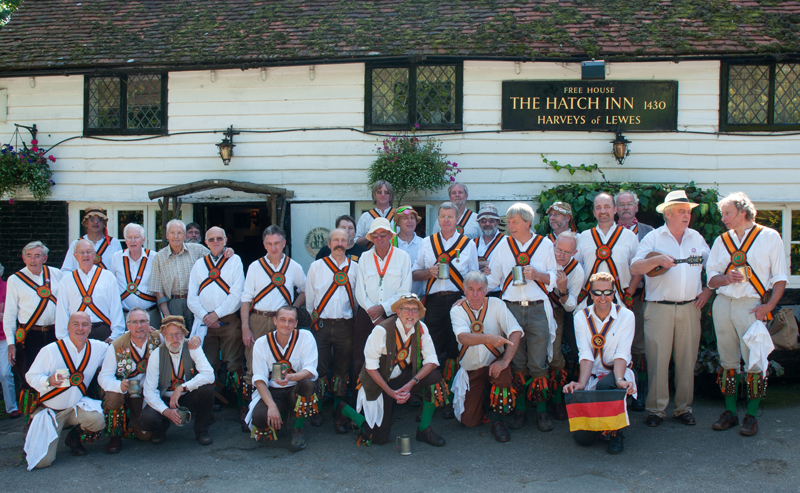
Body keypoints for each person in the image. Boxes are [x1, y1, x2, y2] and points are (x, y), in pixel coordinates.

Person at [707, 192, 787, 436]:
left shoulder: (769, 237)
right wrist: (726, 278)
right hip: (723, 304)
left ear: (743, 212)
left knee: (755, 363)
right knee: (728, 362)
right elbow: (711, 279)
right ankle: (730, 412)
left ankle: (751, 416)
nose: (724, 219)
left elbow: (780, 277)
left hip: (752, 306)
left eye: (728, 213)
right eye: (722, 214)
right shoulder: (722, 240)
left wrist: (769, 306)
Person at [630, 190, 712, 427]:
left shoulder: (696, 238)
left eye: (688, 212)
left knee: (687, 360)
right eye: (681, 211)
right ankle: (656, 410)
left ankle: (683, 408)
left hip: (689, 308)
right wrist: (656, 261)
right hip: (659, 308)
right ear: (667, 214)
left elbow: (714, 267)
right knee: (657, 360)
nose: (686, 216)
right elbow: (635, 268)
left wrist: (707, 291)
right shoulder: (654, 238)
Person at [335, 294, 447, 447]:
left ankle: (424, 429)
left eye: (415, 310)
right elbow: (371, 368)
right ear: (398, 312)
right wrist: (390, 392)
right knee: (377, 438)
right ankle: (345, 410)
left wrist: (411, 384)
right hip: (379, 382)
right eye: (406, 309)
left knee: (434, 377)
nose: (411, 314)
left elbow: (432, 361)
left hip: (403, 379)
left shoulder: (421, 328)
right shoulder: (381, 331)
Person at [486, 203, 558, 432]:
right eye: (508, 222)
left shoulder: (545, 244)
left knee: (538, 363)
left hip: (537, 308)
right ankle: (520, 409)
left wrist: (537, 274)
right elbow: (494, 280)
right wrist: (469, 292)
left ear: (528, 222)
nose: (510, 226)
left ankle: (541, 410)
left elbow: (555, 277)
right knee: (516, 361)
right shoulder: (503, 245)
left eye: (514, 222)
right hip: (511, 309)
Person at [413, 201, 479, 415]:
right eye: (443, 216)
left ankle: (449, 398)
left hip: (458, 302)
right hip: (433, 302)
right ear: (438, 219)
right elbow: (415, 273)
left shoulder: (468, 244)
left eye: (451, 216)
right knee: (430, 349)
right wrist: (428, 273)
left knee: (454, 349)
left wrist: (468, 301)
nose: (447, 220)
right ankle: (431, 399)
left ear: (457, 219)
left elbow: (474, 278)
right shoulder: (427, 243)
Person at [563, 272, 637, 454]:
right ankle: (600, 427)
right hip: (593, 375)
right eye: (597, 292)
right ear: (590, 294)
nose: (602, 297)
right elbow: (585, 354)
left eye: (607, 292)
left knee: (607, 385)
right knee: (583, 440)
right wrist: (581, 383)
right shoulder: (581, 316)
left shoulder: (626, 316)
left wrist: (620, 378)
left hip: (616, 374)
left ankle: (616, 433)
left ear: (613, 293)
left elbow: (622, 353)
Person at [240, 225, 306, 429]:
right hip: (258, 319)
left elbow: (304, 291)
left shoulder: (293, 266)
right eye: (269, 244)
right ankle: (250, 410)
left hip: (282, 322)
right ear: (264, 245)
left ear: (284, 243)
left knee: (282, 361)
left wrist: (292, 310)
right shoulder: (254, 266)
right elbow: (245, 299)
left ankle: (283, 404)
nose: (273, 248)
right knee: (253, 364)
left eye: (277, 243)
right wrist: (245, 327)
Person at [24, 312, 108, 469]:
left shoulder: (99, 348)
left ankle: (73, 437)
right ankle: (34, 429)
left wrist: (147, 331)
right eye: (76, 324)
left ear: (90, 328)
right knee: (42, 463)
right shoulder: (50, 350)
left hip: (75, 408)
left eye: (85, 325)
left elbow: (119, 347)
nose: (80, 328)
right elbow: (31, 376)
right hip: (51, 411)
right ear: (68, 327)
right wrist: (47, 381)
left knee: (98, 421)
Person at [450, 272, 522, 442]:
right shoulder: (457, 309)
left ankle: (498, 422)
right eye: (471, 289)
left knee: (502, 372)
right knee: (469, 421)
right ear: (464, 290)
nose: (475, 295)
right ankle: (484, 402)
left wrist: (505, 361)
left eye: (480, 289)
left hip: (493, 364)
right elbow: (463, 337)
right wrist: (489, 338)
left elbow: (516, 331)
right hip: (472, 370)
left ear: (487, 290)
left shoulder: (496, 304)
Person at [353, 217, 412, 400]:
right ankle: (361, 397)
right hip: (366, 314)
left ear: (390, 236)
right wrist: (373, 313)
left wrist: (383, 309)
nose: (379, 238)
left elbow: (404, 291)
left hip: (392, 315)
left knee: (389, 359)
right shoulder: (364, 257)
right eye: (375, 235)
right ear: (371, 238)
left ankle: (387, 398)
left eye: (383, 234)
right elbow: (360, 290)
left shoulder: (403, 257)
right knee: (361, 356)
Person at [305, 228, 358, 430]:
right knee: (319, 368)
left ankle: (339, 408)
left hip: (345, 324)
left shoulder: (355, 267)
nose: (339, 243)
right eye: (335, 240)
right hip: (322, 325)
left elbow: (358, 297)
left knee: (342, 370)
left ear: (348, 243)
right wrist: (315, 319)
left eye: (343, 240)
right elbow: (310, 298)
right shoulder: (316, 267)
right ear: (329, 244)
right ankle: (316, 408)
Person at [245, 306, 319, 451]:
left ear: (296, 323)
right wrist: (271, 406)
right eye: (283, 320)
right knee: (260, 419)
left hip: (295, 389)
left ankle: (298, 428)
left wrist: (292, 376)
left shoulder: (305, 337)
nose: (286, 325)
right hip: (273, 392)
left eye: (291, 321)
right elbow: (259, 380)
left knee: (308, 384)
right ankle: (281, 415)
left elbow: (310, 370)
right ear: (275, 321)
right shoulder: (261, 343)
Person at [187, 227, 245, 406]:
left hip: (228, 321)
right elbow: (191, 297)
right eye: (211, 239)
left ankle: (240, 404)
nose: (215, 242)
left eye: (219, 238)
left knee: (234, 364)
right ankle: (209, 406)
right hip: (205, 325)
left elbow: (237, 295)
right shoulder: (199, 265)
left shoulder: (234, 261)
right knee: (207, 365)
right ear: (206, 242)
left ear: (226, 240)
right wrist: (206, 316)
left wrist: (216, 314)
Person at [3, 241, 61, 420]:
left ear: (45, 258)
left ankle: (61, 417)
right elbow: (10, 313)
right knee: (30, 378)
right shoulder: (15, 279)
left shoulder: (57, 274)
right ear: (23, 258)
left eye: (37, 256)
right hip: (30, 335)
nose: (33, 260)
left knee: (58, 374)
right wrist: (11, 343)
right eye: (29, 256)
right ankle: (31, 422)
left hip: (55, 333)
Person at [141, 315, 215, 445]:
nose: (174, 339)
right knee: (146, 418)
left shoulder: (192, 347)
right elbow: (149, 391)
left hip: (187, 396)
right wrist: (166, 411)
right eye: (170, 335)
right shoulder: (156, 355)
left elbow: (209, 375)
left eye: (178, 334)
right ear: (163, 335)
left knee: (207, 390)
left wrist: (182, 388)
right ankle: (160, 429)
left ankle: (202, 430)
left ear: (184, 334)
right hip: (165, 399)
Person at [97, 307, 162, 454]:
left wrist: (193, 340)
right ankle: (115, 435)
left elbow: (177, 339)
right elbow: (103, 376)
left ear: (149, 323)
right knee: (114, 396)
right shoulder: (116, 345)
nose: (139, 326)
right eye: (134, 322)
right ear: (128, 325)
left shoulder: (157, 337)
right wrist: (118, 385)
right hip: (123, 388)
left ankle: (131, 423)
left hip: (143, 390)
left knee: (146, 436)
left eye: (143, 322)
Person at [615, 190, 655, 410]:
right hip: (611, 299)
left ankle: (639, 394)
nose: (626, 208)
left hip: (637, 298)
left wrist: (630, 293)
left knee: (638, 346)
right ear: (615, 209)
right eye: (621, 205)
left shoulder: (649, 233)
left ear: (637, 207)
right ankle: (615, 392)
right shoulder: (607, 232)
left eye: (630, 204)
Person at [574, 193, 641, 313]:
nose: (603, 211)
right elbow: (575, 269)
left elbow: (638, 267)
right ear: (594, 212)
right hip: (589, 300)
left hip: (620, 300)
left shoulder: (629, 236)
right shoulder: (583, 237)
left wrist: (630, 291)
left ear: (615, 209)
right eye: (598, 207)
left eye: (607, 206)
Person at [149, 219, 220, 331]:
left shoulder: (197, 250)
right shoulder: (159, 257)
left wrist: (227, 250)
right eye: (172, 233)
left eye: (179, 233)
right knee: (176, 336)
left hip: (197, 301)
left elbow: (217, 257)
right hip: (174, 303)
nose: (176, 236)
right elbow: (158, 290)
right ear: (167, 235)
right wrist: (168, 316)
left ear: (184, 235)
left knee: (197, 337)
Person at [55, 239, 125, 342]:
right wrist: (64, 338)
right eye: (81, 252)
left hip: (103, 331)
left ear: (94, 254)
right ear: (75, 256)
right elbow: (62, 310)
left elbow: (116, 307)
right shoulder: (66, 280)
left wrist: (115, 336)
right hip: (77, 333)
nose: (85, 255)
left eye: (88, 252)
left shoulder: (108, 276)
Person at [547, 231, 584, 421]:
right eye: (558, 250)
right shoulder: (544, 255)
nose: (560, 255)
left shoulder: (577, 272)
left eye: (566, 252)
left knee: (554, 354)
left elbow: (571, 306)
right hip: (536, 307)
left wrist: (562, 290)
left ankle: (556, 400)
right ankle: (532, 401)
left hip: (559, 311)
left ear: (575, 252)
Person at [110, 223, 160, 328]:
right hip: (124, 316)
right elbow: (111, 285)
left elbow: (160, 286)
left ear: (143, 240)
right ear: (125, 240)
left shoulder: (154, 257)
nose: (133, 241)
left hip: (150, 314)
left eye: (136, 237)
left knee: (153, 343)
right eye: (129, 237)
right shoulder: (116, 257)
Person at [61, 207, 122, 272]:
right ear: (86, 223)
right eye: (91, 219)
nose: (95, 222)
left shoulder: (114, 243)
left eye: (99, 219)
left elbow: (120, 269)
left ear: (104, 223)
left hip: (107, 282)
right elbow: (66, 270)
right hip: (82, 281)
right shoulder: (76, 244)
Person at [0, 262, 20, 418]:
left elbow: (13, 312)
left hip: (3, 338)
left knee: (5, 373)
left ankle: (11, 407)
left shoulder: (7, 287)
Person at [473, 203, 505, 297]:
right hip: (476, 293)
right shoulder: (472, 243)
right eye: (483, 221)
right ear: (479, 223)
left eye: (491, 220)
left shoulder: (507, 242)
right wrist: (490, 265)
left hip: (499, 293)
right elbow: (465, 267)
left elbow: (507, 265)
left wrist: (477, 267)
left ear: (498, 222)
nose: (487, 224)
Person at [394, 206, 425, 296]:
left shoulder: (424, 243)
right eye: (405, 218)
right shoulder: (389, 244)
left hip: (419, 299)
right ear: (398, 222)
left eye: (412, 218)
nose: (410, 221)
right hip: (394, 300)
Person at [355, 181, 396, 248]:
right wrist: (371, 235)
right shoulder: (365, 216)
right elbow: (356, 242)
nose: (383, 195)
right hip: (371, 256)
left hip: (394, 256)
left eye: (386, 192)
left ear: (390, 195)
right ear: (374, 195)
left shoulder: (398, 215)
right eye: (379, 192)